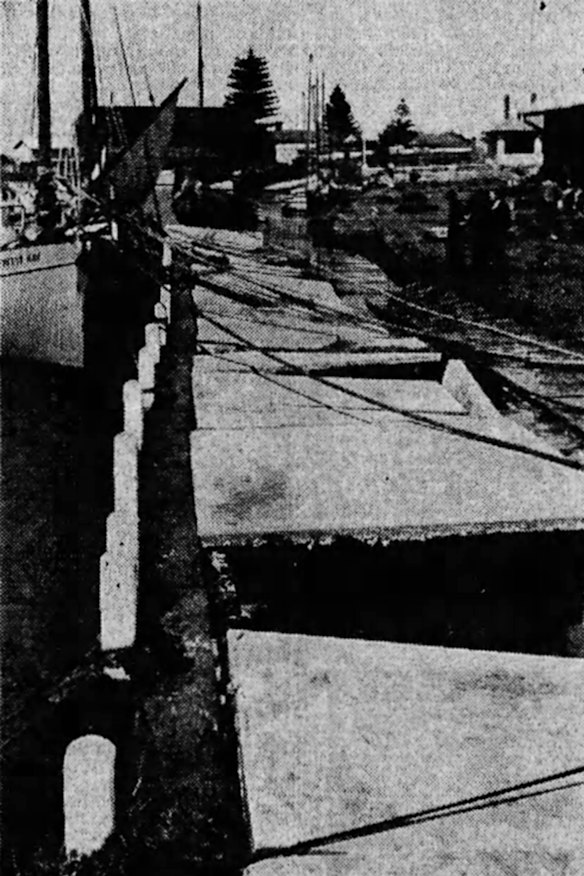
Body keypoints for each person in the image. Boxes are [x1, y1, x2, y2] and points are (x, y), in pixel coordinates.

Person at [446, 189, 466, 274]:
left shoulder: (456, 205)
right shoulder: (457, 205)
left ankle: (456, 268)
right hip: (455, 229)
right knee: (455, 249)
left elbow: (459, 218)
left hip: (456, 230)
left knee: (455, 249)